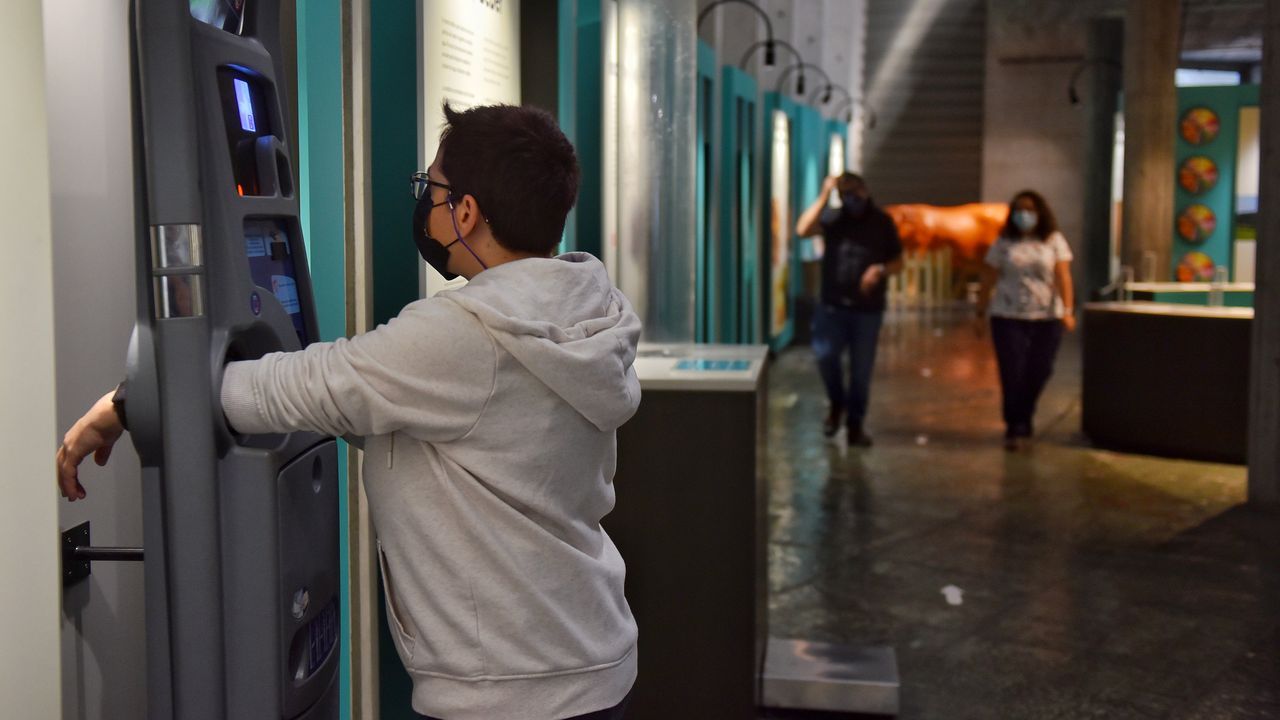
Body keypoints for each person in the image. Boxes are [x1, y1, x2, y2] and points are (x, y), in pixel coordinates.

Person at [55, 104, 639, 720]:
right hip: (586, 657)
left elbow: (308, 385)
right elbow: (438, 430)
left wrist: (131, 401)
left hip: (515, 692)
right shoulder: (580, 315)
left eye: (431, 188)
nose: (425, 202)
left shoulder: (467, 335)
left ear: (465, 211)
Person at [795, 172, 903, 447]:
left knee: (861, 372)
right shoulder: (834, 219)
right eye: (845, 194)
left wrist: (878, 270)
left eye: (855, 191)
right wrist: (823, 195)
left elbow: (898, 262)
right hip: (831, 307)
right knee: (825, 357)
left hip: (867, 311)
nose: (851, 198)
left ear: (865, 190)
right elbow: (802, 230)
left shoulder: (882, 222)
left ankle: (856, 424)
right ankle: (836, 403)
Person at [975, 189, 1076, 451]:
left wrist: (1067, 310)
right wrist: (980, 312)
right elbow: (988, 277)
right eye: (1019, 210)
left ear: (1040, 213)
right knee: (1012, 372)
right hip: (1008, 316)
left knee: (1040, 369)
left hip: (1046, 316)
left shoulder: (1053, 240)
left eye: (1029, 210)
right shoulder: (1004, 242)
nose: (1024, 215)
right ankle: (1015, 425)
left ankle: (1026, 412)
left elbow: (1063, 275)